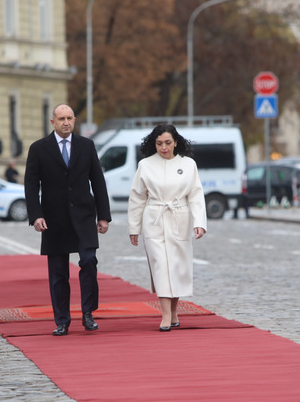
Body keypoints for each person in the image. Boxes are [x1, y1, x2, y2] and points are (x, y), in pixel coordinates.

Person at [24, 104, 111, 336]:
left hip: (83, 215)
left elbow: (98, 181)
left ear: (74, 121)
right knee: (58, 272)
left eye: (69, 118)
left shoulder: (86, 145)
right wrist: (36, 215)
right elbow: (31, 185)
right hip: (54, 218)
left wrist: (103, 216)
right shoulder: (39, 149)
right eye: (61, 118)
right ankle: (62, 320)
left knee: (89, 261)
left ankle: (88, 313)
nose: (66, 122)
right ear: (52, 122)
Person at [127, 124, 207, 331]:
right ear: (153, 144)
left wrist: (200, 223)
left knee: (177, 266)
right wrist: (134, 227)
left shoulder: (188, 164)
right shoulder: (145, 165)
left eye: (168, 143)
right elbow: (137, 197)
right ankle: (165, 314)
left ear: (176, 142)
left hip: (180, 216)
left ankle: (174, 311)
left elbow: (196, 195)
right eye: (159, 143)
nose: (164, 147)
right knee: (161, 265)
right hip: (154, 218)